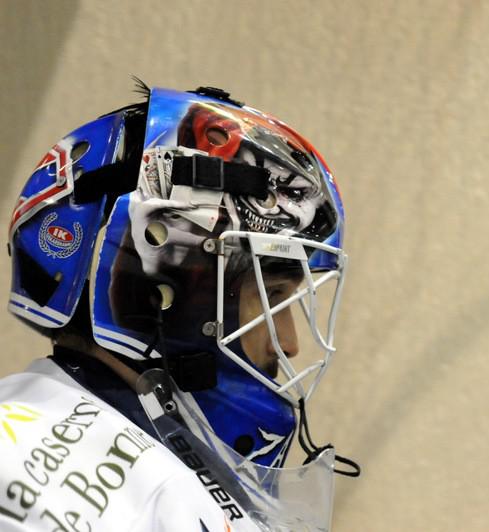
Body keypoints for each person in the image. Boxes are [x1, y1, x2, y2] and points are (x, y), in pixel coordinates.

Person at [0, 84, 358, 531]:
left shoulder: (178, 467)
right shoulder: (25, 470)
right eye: (271, 296)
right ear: (163, 290)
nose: (289, 343)